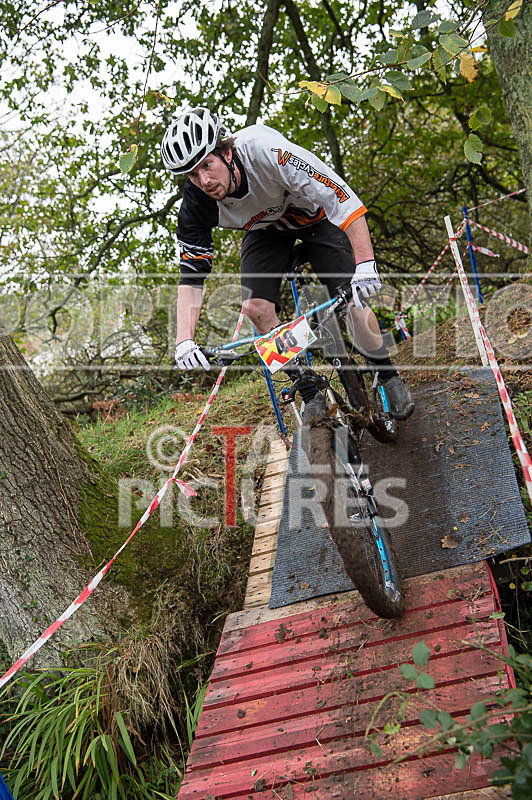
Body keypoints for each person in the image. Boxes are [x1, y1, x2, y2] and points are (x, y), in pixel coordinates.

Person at [162, 107, 414, 420]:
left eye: (207, 165)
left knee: (351, 299)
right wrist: (184, 340)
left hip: (315, 217)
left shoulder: (266, 151)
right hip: (266, 232)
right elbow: (191, 275)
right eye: (193, 174)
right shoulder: (196, 203)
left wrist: (365, 264)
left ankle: (387, 373)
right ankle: (309, 391)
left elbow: (340, 197)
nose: (204, 181)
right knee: (256, 308)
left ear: (226, 152)